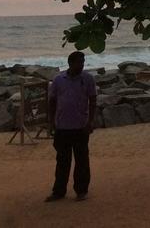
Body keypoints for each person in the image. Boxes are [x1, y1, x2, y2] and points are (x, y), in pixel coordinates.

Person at [46, 51, 97, 202]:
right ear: (70, 63)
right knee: (62, 161)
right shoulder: (58, 80)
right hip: (62, 127)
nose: (81, 65)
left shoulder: (87, 79)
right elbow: (52, 101)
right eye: (79, 62)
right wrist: (51, 123)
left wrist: (90, 122)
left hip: (81, 126)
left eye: (83, 62)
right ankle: (59, 191)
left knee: (82, 161)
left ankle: (81, 191)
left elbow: (93, 100)